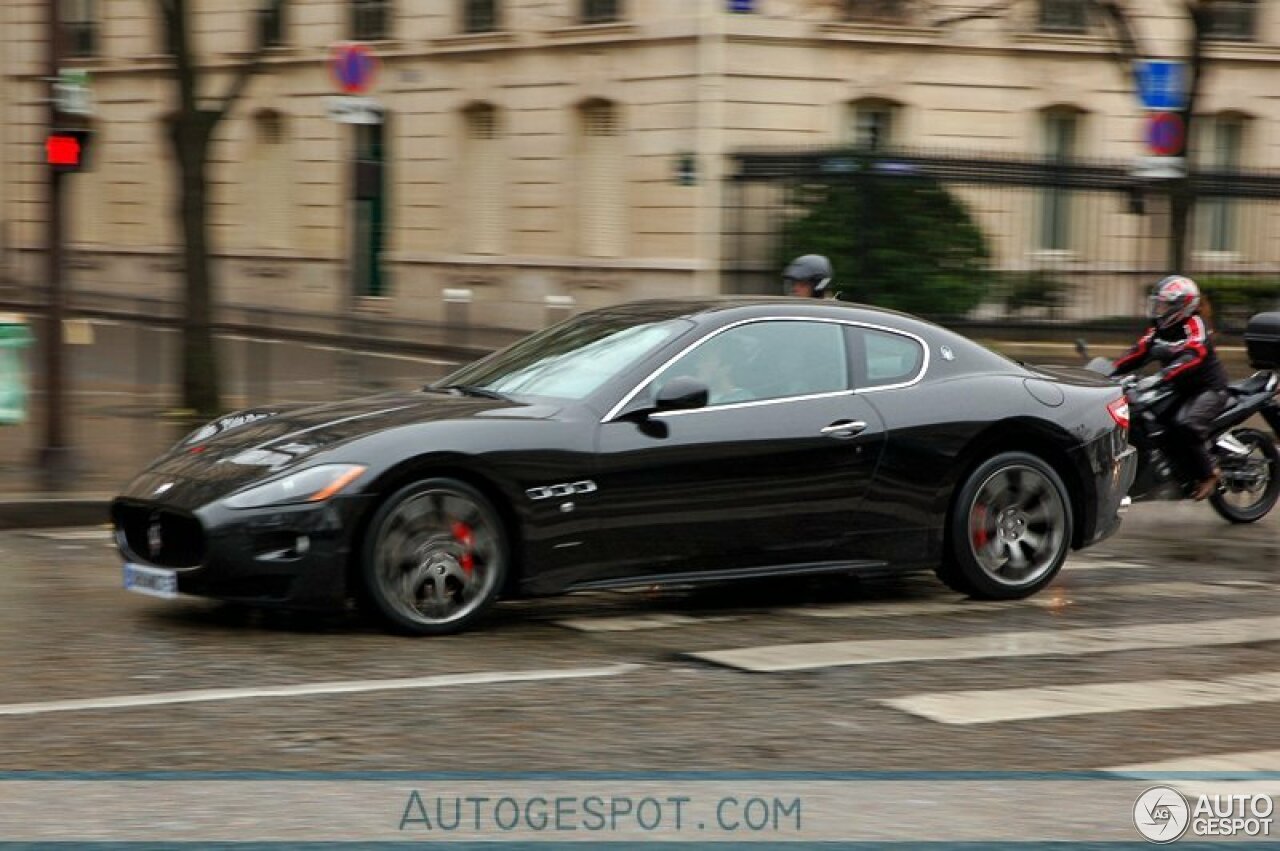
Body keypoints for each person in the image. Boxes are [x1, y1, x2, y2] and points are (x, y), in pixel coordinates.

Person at [1111, 275, 1230, 500]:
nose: (1159, 309)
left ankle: (1209, 474)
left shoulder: (1195, 325)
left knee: (1186, 425)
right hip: (1176, 388)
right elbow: (1138, 352)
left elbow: (1193, 355)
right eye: (1158, 303)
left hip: (1208, 389)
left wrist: (1160, 376)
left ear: (1182, 306)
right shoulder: (1159, 329)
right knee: (1155, 420)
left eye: (1164, 304)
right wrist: (1109, 373)